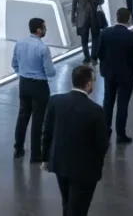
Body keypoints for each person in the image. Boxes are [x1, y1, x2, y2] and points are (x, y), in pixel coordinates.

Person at [42, 65, 109, 216]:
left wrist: (45, 158)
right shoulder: (95, 110)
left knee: (66, 203)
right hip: (84, 170)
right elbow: (102, 144)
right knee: (79, 209)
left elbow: (47, 132)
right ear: (89, 84)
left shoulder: (55, 101)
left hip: (60, 163)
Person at [12, 17, 56, 163]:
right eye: (44, 28)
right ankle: (35, 154)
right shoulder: (43, 48)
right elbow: (50, 72)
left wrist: (23, 73)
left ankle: (18, 148)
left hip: (23, 83)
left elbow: (14, 64)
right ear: (38, 30)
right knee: (38, 120)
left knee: (22, 116)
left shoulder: (19, 43)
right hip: (39, 86)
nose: (46, 30)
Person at [98, 7, 133, 144]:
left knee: (108, 102)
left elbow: (99, 53)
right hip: (127, 76)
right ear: (129, 19)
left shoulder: (105, 33)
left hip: (109, 74)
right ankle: (121, 135)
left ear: (116, 17)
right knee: (122, 105)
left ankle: (105, 130)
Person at [71, 0, 105, 64]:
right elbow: (101, 1)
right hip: (94, 16)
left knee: (84, 39)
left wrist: (73, 19)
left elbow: (74, 5)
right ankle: (94, 57)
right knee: (95, 38)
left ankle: (86, 58)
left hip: (81, 18)